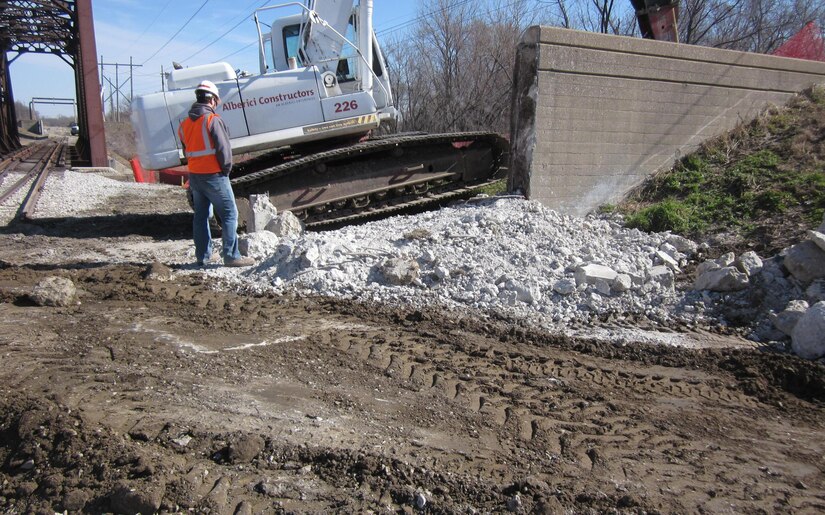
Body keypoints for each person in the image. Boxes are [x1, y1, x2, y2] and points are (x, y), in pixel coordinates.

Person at [178, 80, 254, 267]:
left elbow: (187, 151)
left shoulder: (184, 124)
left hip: (195, 176)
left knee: (201, 216)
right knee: (229, 213)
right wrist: (225, 171)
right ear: (212, 99)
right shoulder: (213, 120)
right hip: (214, 175)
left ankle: (203, 256)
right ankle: (231, 256)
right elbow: (224, 150)